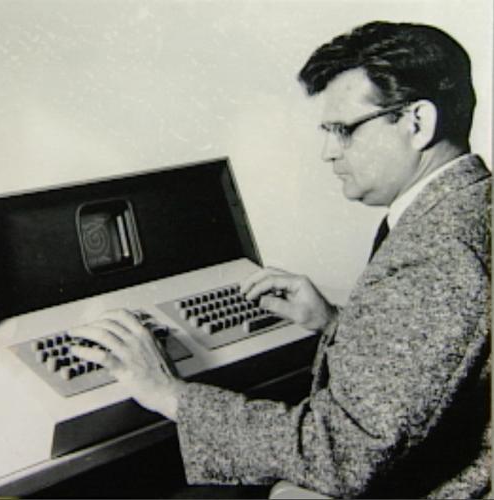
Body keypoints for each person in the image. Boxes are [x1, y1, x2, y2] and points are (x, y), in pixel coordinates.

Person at [70, 21, 491, 498]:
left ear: (418, 123)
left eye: (343, 130)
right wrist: (335, 323)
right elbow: (441, 366)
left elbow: (340, 455)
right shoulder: (472, 206)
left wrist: (170, 394)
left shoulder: (435, 257)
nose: (328, 152)